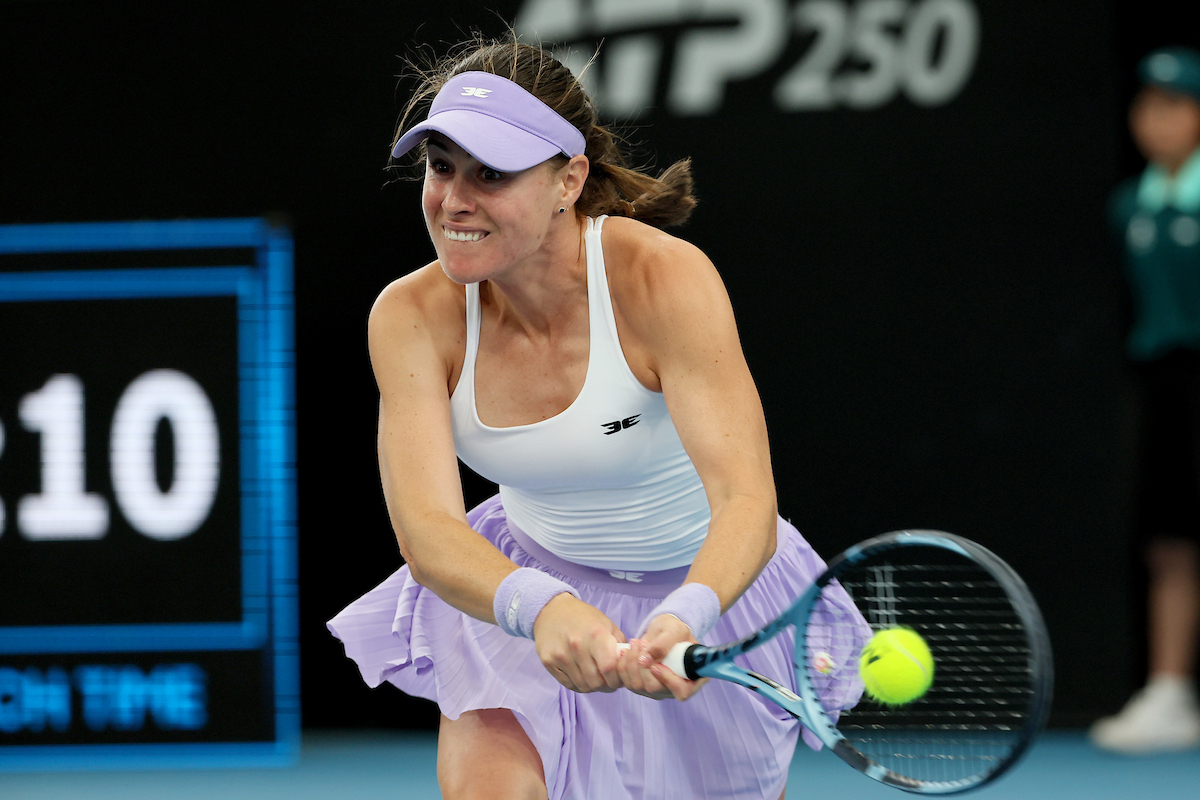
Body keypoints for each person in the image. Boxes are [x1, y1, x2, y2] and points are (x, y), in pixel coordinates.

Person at [327, 35, 865, 800]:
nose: (454, 200)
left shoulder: (662, 279)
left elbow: (746, 498)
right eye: (441, 167)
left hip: (709, 587)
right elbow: (428, 531)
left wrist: (689, 612)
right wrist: (538, 605)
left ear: (568, 180)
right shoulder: (410, 315)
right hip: (521, 582)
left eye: (491, 174)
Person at [1090, 46, 1200, 754]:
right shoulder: (1129, 205)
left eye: (1176, 104)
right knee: (1169, 541)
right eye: (1148, 105)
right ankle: (1169, 690)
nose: (1157, 119)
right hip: (1165, 386)